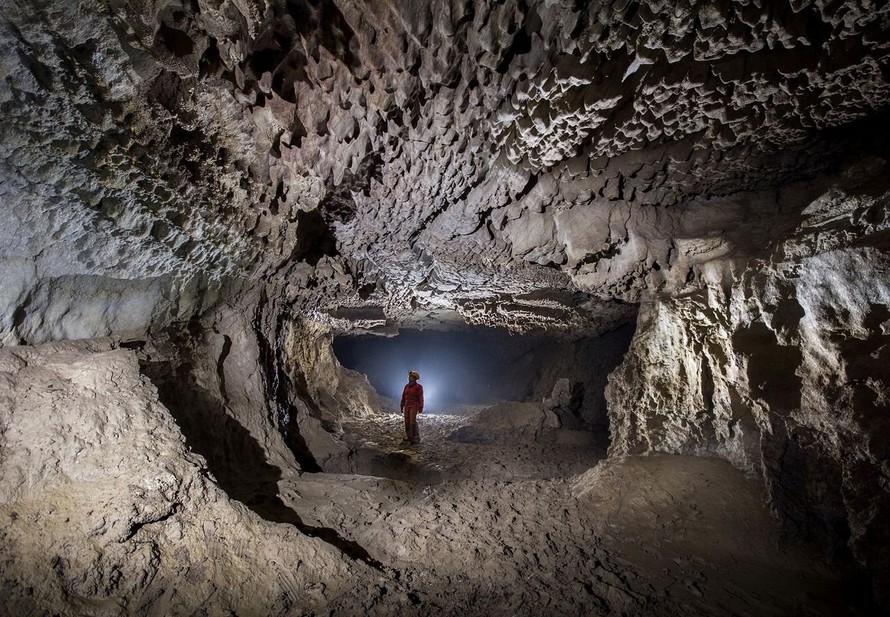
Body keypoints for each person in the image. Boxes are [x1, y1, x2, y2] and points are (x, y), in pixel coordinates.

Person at [400, 370, 424, 442]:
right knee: (407, 421)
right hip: (407, 405)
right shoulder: (406, 386)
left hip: (414, 405)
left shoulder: (418, 387)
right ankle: (409, 437)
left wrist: (421, 406)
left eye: (412, 377)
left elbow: (421, 397)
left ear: (415, 378)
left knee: (412, 421)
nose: (410, 378)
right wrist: (402, 405)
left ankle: (416, 437)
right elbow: (404, 396)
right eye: (410, 377)